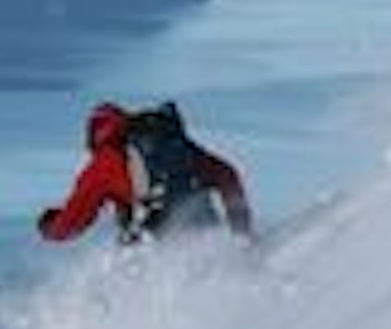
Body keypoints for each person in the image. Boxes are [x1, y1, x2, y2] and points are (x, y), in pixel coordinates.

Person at [37, 100, 254, 244]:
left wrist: (49, 228)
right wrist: (242, 232)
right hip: (206, 239)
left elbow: (73, 222)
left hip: (156, 248)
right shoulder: (177, 147)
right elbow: (228, 176)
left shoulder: (105, 162)